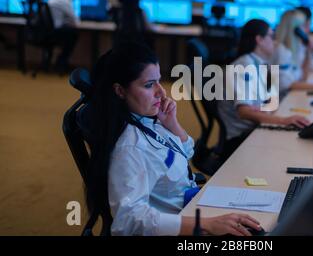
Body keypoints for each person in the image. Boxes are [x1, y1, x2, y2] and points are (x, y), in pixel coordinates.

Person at [87, 42, 261, 236]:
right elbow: (128, 221)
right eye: (149, 85)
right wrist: (206, 225)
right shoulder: (130, 148)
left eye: (159, 81)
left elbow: (186, 151)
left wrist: (172, 124)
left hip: (193, 207)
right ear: (120, 91)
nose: (161, 92)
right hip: (184, 224)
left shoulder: (146, 121)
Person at [218, 19, 310, 159]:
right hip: (240, 139)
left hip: (254, 129)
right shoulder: (244, 67)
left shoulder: (259, 63)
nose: (275, 42)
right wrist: (284, 120)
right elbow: (244, 112)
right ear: (259, 40)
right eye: (271, 36)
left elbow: (269, 101)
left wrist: (264, 108)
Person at [47, 0, 79, 73]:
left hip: (46, 32)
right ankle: (61, 63)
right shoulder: (65, 0)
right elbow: (74, 20)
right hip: (56, 32)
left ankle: (60, 62)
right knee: (74, 34)